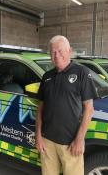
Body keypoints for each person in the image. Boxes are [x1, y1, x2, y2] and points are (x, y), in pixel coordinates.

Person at [36, 35, 97, 175]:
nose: (56, 55)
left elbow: (89, 109)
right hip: (47, 142)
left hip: (70, 143)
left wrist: (79, 139)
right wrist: (38, 135)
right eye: (53, 52)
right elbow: (40, 108)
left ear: (69, 51)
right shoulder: (47, 76)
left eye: (60, 50)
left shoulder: (82, 73)